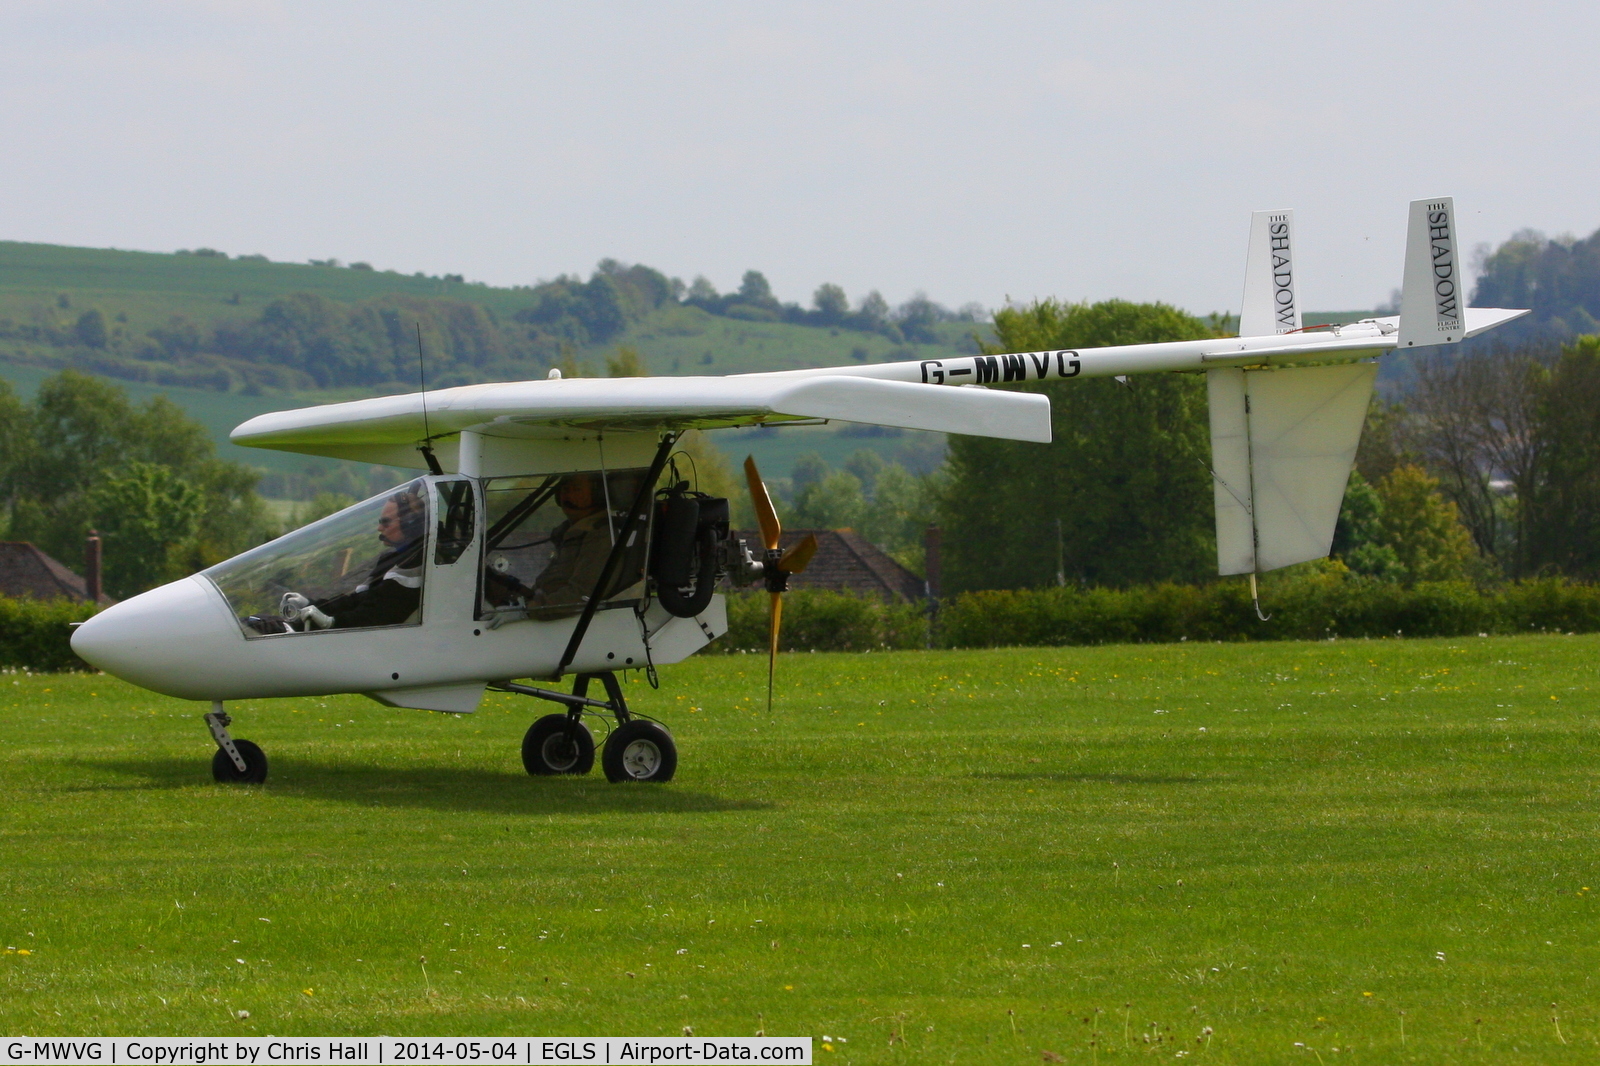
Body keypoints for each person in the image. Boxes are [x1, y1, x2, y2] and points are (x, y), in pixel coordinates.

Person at [279, 486, 427, 631]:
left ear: (410, 523)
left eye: (386, 522)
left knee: (268, 628)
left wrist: (331, 623)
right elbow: (357, 600)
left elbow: (374, 617)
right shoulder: (397, 558)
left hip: (375, 646)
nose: (379, 528)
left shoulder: (414, 567)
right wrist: (311, 604)